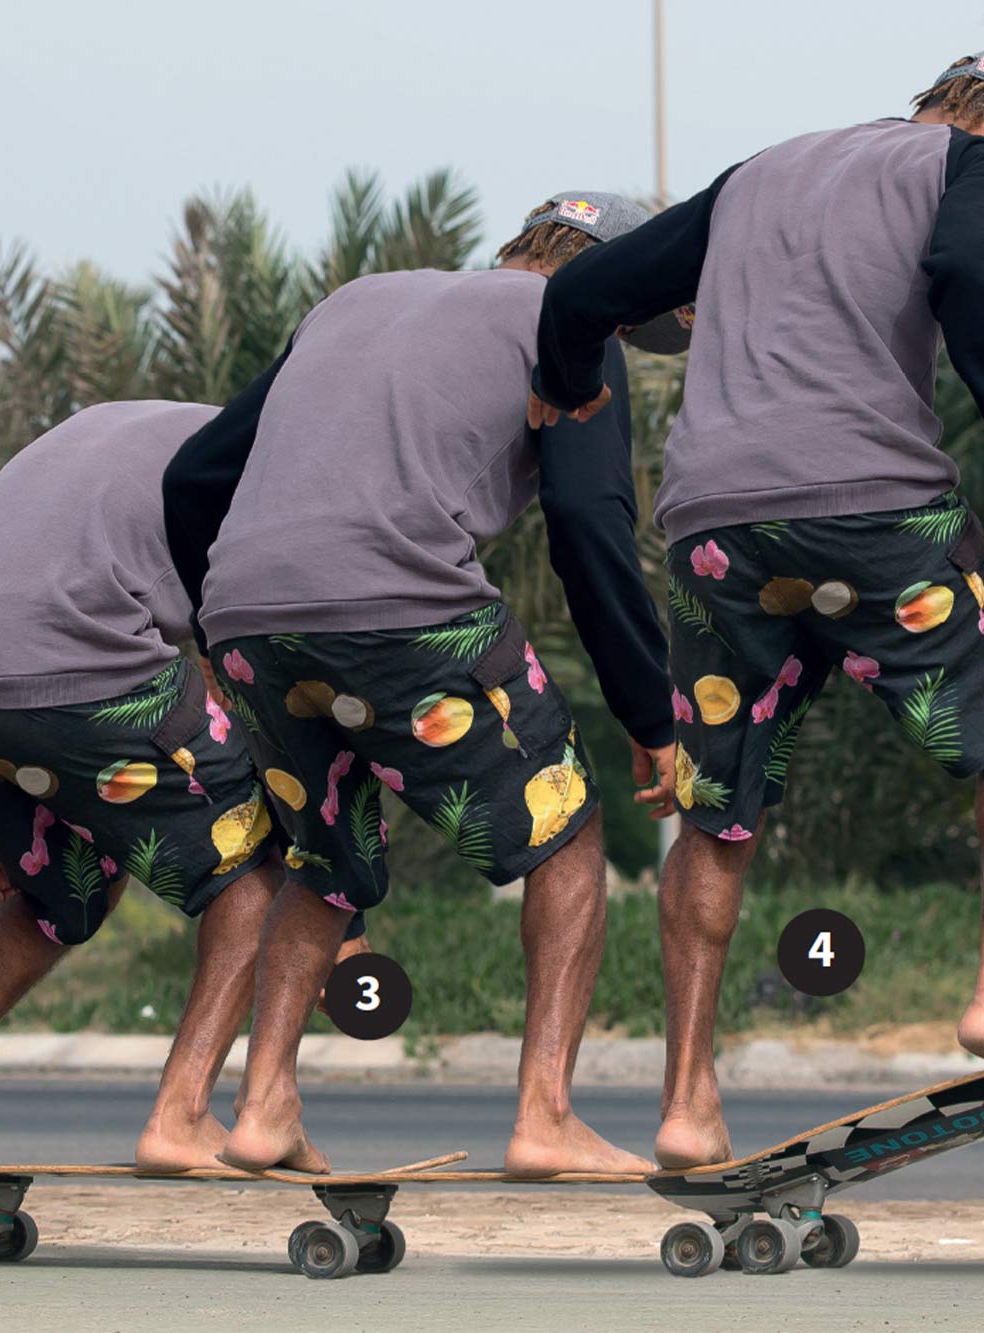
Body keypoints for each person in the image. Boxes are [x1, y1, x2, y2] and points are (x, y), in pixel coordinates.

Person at [530, 51, 984, 1169]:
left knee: (718, 807)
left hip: (712, 533)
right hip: (869, 511)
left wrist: (567, 387)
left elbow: (580, 294)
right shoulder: (969, 163)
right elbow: (977, 281)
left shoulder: (758, 174)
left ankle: (686, 1104)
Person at [162, 193, 689, 1175]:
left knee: (324, 853)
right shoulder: (570, 323)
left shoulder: (354, 304)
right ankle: (545, 1117)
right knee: (564, 829)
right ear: (615, 283)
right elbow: (585, 520)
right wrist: (649, 711)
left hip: (246, 616)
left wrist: (215, 628)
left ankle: (264, 1104)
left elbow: (193, 477)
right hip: (399, 603)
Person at [0, 400, 313, 1173]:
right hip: (71, 668)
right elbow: (257, 665)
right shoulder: (279, 459)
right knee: (256, 869)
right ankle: (183, 1114)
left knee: (65, 890)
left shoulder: (99, 429)